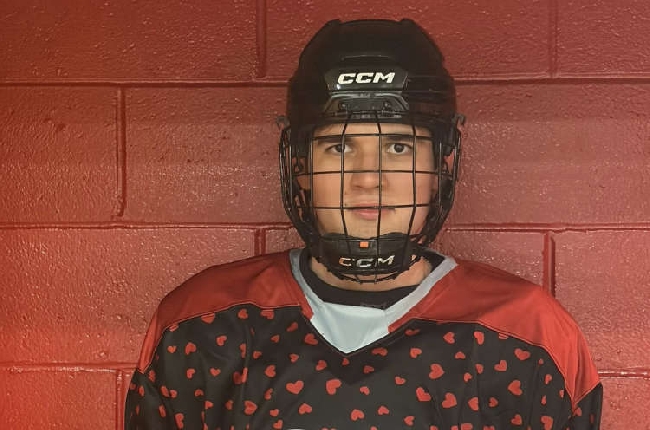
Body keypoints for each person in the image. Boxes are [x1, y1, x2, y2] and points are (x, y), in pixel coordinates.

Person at [124, 18, 602, 429]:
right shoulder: (203, 325)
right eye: (339, 147)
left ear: (441, 165)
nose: (368, 179)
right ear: (300, 167)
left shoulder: (528, 335)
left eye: (399, 146)